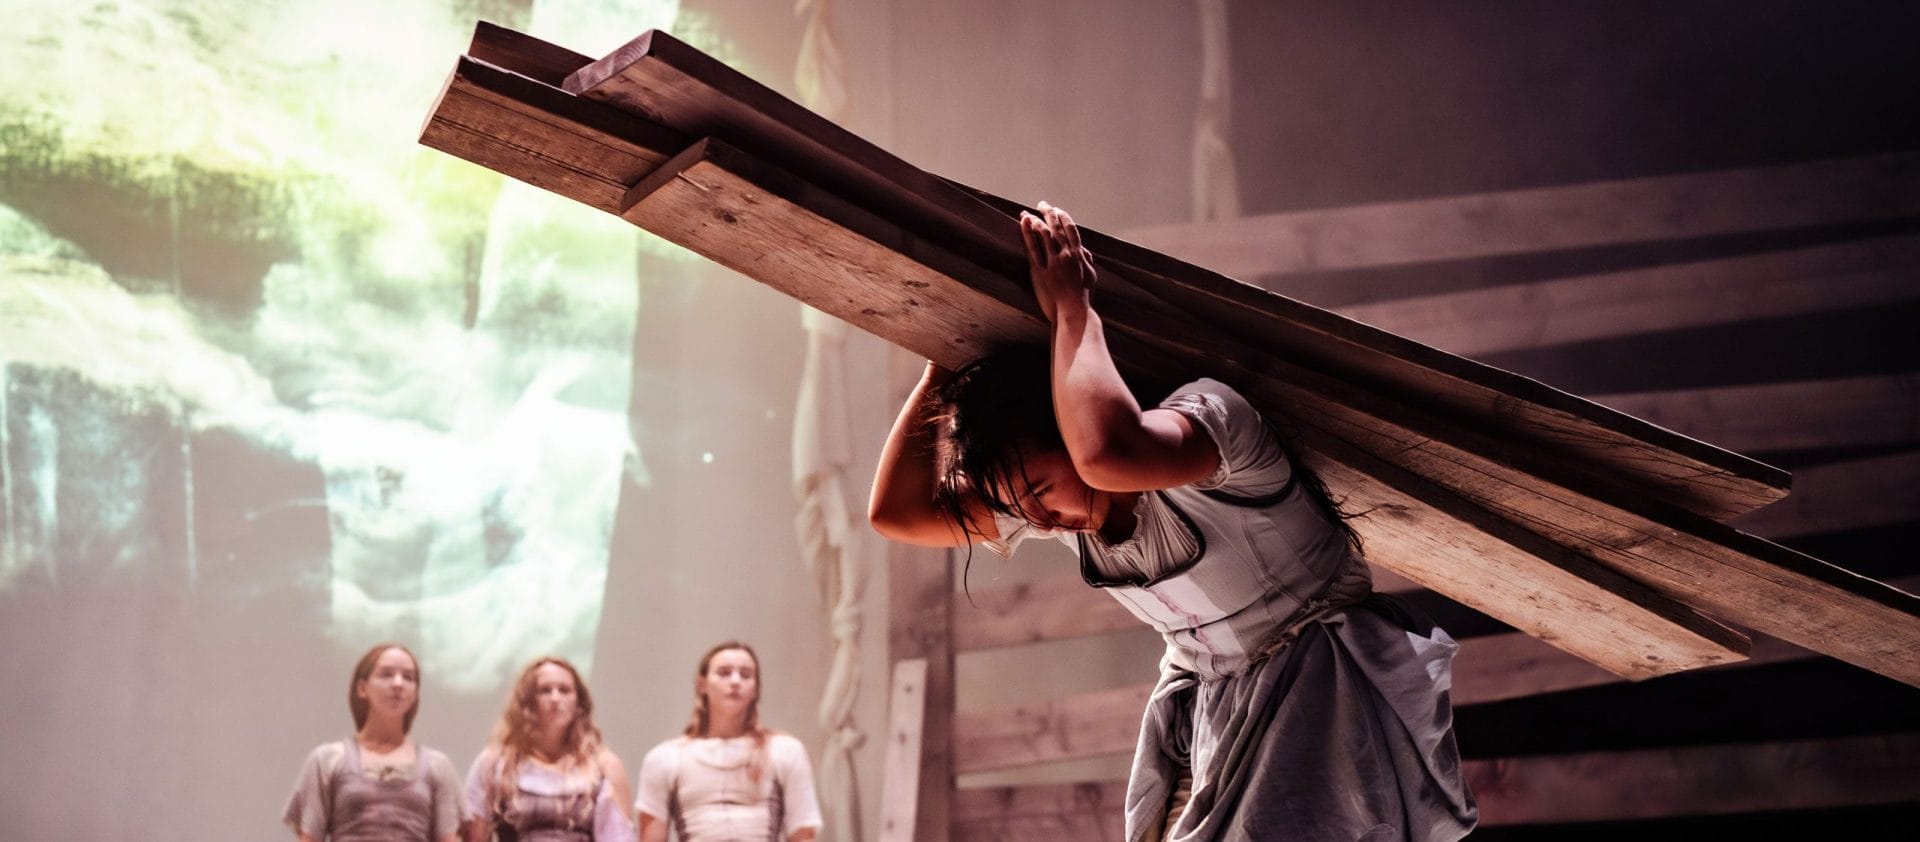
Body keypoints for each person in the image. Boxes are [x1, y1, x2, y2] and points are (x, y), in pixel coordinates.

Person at [868, 202, 1478, 841]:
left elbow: (1106, 452)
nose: (1038, 517)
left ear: (1065, 422)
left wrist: (1074, 310)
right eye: (1019, 504)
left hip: (1323, 691)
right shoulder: (1055, 504)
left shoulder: (1214, 425)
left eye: (1041, 488)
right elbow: (898, 515)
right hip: (1215, 706)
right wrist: (942, 361)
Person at [634, 641, 822, 842]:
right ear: (702, 684)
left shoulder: (785, 751)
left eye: (746, 675)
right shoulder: (665, 758)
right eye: (724, 672)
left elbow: (803, 834)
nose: (735, 681)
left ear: (756, 688)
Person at [283, 642, 464, 842]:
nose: (398, 684)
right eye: (386, 674)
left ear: (415, 694)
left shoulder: (437, 767)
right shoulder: (327, 760)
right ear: (362, 688)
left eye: (408, 677)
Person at [463, 657, 635, 841]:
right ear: (527, 701)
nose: (555, 698)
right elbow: (475, 836)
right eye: (545, 690)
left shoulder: (604, 767)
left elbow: (617, 836)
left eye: (564, 690)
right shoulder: (495, 763)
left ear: (578, 703)